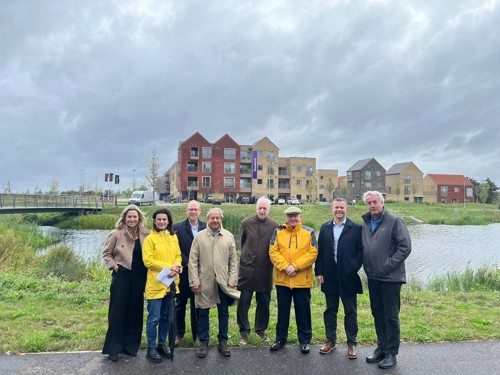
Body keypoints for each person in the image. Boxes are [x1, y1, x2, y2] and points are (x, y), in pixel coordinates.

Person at [362, 191, 411, 369]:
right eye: (369, 203)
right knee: (378, 314)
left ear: (382, 203)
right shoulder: (366, 223)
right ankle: (381, 348)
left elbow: (405, 247)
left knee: (391, 316)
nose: (372, 205)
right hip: (373, 277)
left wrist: (388, 265)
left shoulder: (394, 221)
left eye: (375, 202)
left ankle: (391, 353)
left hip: (390, 278)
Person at [188, 207, 240, 358]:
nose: (215, 221)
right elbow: (192, 261)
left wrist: (232, 280)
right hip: (204, 282)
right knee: (203, 312)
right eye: (212, 218)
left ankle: (223, 341)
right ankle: (204, 342)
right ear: (208, 219)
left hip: (223, 283)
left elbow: (233, 261)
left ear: (221, 220)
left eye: (218, 218)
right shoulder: (199, 237)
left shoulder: (228, 237)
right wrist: (194, 281)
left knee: (223, 313)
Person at [315, 198, 363, 359]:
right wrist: (319, 271)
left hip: (348, 276)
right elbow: (319, 252)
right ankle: (331, 341)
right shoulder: (325, 227)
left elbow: (360, 252)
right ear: (332, 209)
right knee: (330, 310)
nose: (339, 210)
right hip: (329, 276)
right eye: (336, 207)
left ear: (346, 208)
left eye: (342, 207)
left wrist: (352, 267)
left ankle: (351, 343)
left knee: (350, 311)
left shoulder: (355, 228)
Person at [102, 205, 150, 362]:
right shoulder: (116, 234)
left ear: (139, 218)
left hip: (139, 277)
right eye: (129, 216)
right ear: (124, 218)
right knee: (117, 311)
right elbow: (106, 254)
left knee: (135, 311)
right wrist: (114, 267)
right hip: (121, 276)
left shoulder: (145, 233)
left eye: (134, 216)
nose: (132, 219)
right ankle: (114, 348)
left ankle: (130, 346)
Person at [269, 206, 318, 354]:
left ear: (300, 217)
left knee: (303, 311)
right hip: (283, 279)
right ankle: (280, 339)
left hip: (302, 280)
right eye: (290, 216)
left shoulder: (309, 232)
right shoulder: (278, 231)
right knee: (283, 311)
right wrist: (285, 267)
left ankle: (304, 341)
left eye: (295, 216)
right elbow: (273, 251)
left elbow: (313, 253)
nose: (293, 218)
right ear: (286, 218)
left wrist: (295, 267)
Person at [142, 208, 182, 363]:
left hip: (170, 284)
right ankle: (151, 348)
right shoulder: (149, 239)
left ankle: (161, 344)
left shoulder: (173, 237)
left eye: (164, 220)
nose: (162, 222)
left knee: (166, 317)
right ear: (154, 221)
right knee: (154, 318)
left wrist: (177, 266)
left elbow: (178, 255)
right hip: (156, 284)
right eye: (159, 219)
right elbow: (148, 261)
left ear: (168, 221)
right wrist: (169, 267)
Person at [237, 197, 279, 345]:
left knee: (264, 302)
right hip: (247, 269)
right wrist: (248, 258)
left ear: (269, 209)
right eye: (260, 208)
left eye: (265, 208)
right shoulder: (246, 223)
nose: (262, 211)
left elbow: (275, 246)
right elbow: (242, 243)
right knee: (244, 301)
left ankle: (260, 329)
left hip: (265, 270)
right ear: (256, 208)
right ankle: (244, 331)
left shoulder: (275, 225)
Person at [172, 200, 207, 346]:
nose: (193, 212)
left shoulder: (206, 226)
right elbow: (175, 249)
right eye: (190, 210)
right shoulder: (177, 227)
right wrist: (188, 262)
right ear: (187, 211)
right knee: (180, 304)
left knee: (197, 304)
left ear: (200, 211)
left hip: (201, 273)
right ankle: (179, 333)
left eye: (195, 210)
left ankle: (197, 334)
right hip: (183, 272)